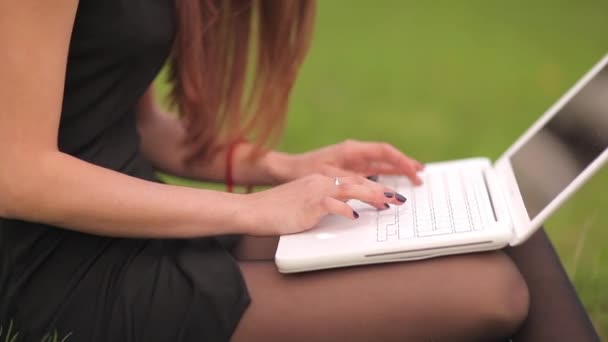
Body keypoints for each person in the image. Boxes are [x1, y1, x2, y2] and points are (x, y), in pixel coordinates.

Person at [0, 0, 599, 341]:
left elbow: (144, 128)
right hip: (53, 269)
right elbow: (16, 174)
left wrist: (286, 165)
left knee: (511, 231)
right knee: (490, 290)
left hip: (144, 223)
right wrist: (252, 208)